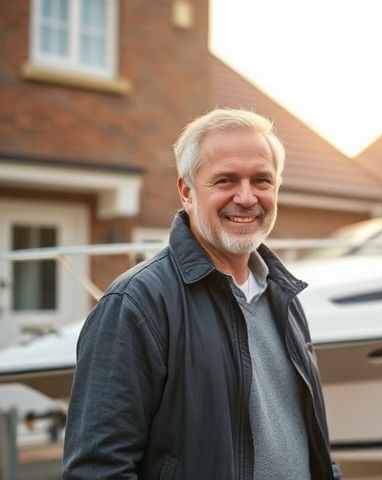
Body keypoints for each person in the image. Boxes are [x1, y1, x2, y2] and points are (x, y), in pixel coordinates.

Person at [63, 109, 341, 480]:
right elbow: (97, 471)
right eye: (225, 180)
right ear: (186, 192)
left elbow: (312, 447)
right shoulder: (137, 305)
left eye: (262, 180)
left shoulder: (284, 298)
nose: (246, 197)